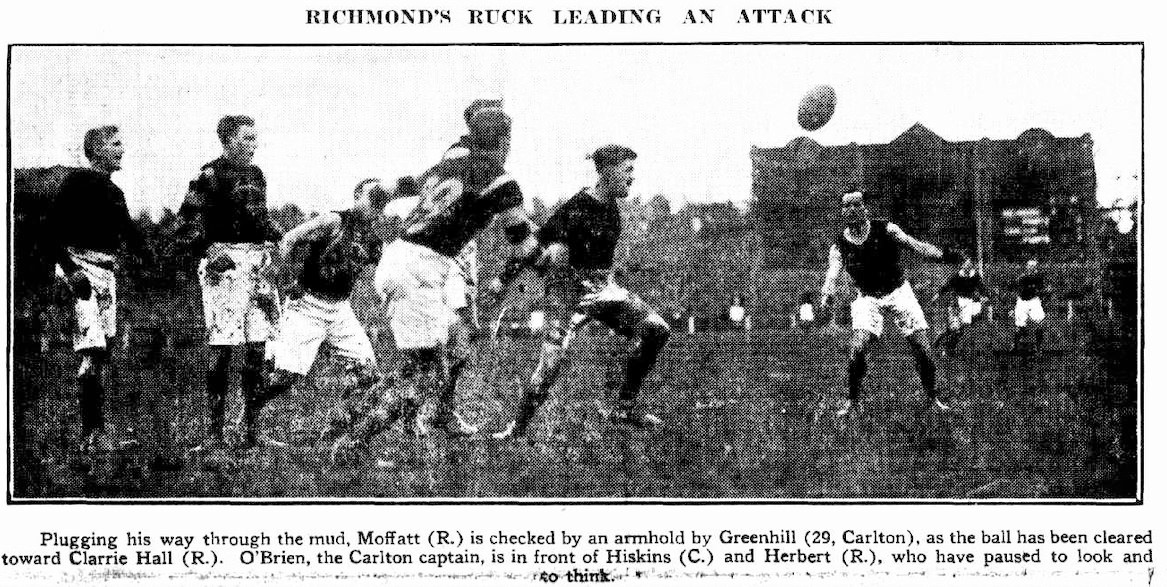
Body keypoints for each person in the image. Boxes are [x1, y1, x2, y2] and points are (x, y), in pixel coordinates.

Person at [349, 104, 528, 444]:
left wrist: (374, 204)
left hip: (401, 258)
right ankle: (354, 438)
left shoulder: (446, 164)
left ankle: (373, 413)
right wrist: (552, 259)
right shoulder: (503, 182)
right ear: (505, 141)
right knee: (428, 375)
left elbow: (393, 188)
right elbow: (522, 242)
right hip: (420, 270)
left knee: (442, 353)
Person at [492, 145, 671, 439]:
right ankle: (516, 429)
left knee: (657, 330)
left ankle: (623, 406)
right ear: (606, 172)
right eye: (627, 171)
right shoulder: (577, 206)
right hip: (567, 291)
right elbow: (537, 241)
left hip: (600, 288)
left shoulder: (612, 208)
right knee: (552, 363)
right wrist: (503, 278)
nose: (632, 178)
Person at [245, 179, 391, 447]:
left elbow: (387, 271)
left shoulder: (373, 239)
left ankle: (338, 428)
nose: (376, 206)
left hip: (340, 311)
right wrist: (286, 279)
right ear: (358, 196)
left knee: (368, 373)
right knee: (285, 377)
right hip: (307, 307)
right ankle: (247, 422)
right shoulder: (334, 222)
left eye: (382, 202)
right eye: (374, 198)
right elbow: (290, 239)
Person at [177, 115, 283, 449]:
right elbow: (184, 222)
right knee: (223, 347)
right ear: (228, 140)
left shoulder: (257, 175)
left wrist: (279, 237)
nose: (254, 145)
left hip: (257, 263)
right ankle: (214, 434)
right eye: (247, 138)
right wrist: (207, 251)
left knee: (258, 348)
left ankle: (252, 430)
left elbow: (260, 219)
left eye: (255, 138)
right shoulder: (209, 174)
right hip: (224, 266)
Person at [49, 125, 152, 453]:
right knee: (91, 353)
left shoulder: (114, 192)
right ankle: (91, 436)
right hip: (80, 273)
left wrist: (154, 256)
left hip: (107, 276)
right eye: (115, 144)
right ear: (96, 150)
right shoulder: (77, 183)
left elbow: (130, 234)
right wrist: (70, 270)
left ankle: (96, 433)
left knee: (102, 352)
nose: (122, 150)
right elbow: (51, 231)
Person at [819, 191, 963, 415]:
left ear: (865, 208)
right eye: (847, 206)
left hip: (898, 292)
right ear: (842, 211)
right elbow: (832, 274)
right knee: (857, 349)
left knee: (923, 350)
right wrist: (827, 294)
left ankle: (932, 398)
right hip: (867, 297)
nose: (852, 209)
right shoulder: (839, 245)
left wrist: (946, 255)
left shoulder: (886, 229)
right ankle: (852, 401)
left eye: (857, 204)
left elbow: (917, 246)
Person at [933, 257, 988, 355]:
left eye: (970, 264)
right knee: (956, 328)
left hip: (969, 303)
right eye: (966, 264)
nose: (968, 266)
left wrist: (985, 296)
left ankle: (947, 345)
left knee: (962, 328)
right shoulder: (957, 276)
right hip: (957, 303)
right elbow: (947, 286)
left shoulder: (975, 276)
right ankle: (945, 344)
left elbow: (981, 287)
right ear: (962, 265)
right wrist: (937, 295)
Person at [1012, 258, 1047, 353]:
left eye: (1034, 266)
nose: (1032, 268)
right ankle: (1015, 345)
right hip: (1022, 302)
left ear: (1036, 268)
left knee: (1040, 322)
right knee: (1020, 327)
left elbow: (1042, 289)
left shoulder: (1039, 278)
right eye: (1030, 266)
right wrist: (1035, 290)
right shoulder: (1022, 278)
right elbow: (1022, 291)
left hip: (1034, 301)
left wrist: (1042, 291)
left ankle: (1038, 347)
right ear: (1027, 267)